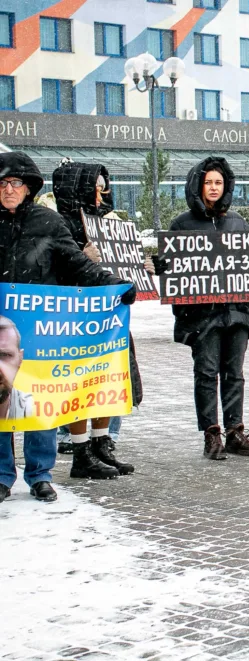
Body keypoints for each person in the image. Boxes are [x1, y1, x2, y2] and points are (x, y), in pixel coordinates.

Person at [0, 151, 137, 504]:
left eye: (15, 183)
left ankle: (40, 475)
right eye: (2, 184)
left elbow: (77, 265)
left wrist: (114, 285)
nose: (8, 190)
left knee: (39, 403)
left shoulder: (47, 222)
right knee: (1, 403)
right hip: (1, 332)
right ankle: (2, 475)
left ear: (29, 187)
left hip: (39, 330)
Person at [149, 157, 249, 460]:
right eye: (208, 182)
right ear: (198, 185)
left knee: (234, 373)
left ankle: (235, 431)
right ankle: (211, 433)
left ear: (226, 186)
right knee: (206, 373)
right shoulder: (182, 224)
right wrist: (163, 266)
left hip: (237, 310)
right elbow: (174, 269)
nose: (213, 187)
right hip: (203, 314)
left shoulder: (238, 222)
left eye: (218, 182)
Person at [52, 160, 135, 477]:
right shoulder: (59, 224)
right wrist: (83, 258)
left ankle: (102, 444)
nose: (101, 193)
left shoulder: (108, 223)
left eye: (105, 186)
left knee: (108, 378)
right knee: (80, 383)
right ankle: (81, 450)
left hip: (109, 316)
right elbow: (58, 267)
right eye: (95, 187)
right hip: (76, 316)